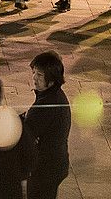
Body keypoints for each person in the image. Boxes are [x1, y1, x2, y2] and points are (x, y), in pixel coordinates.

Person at [25, 51, 72, 199]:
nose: (34, 78)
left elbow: (26, 134)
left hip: (45, 168)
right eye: (34, 73)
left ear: (51, 80)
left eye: (39, 75)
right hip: (54, 164)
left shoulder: (47, 104)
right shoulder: (54, 95)